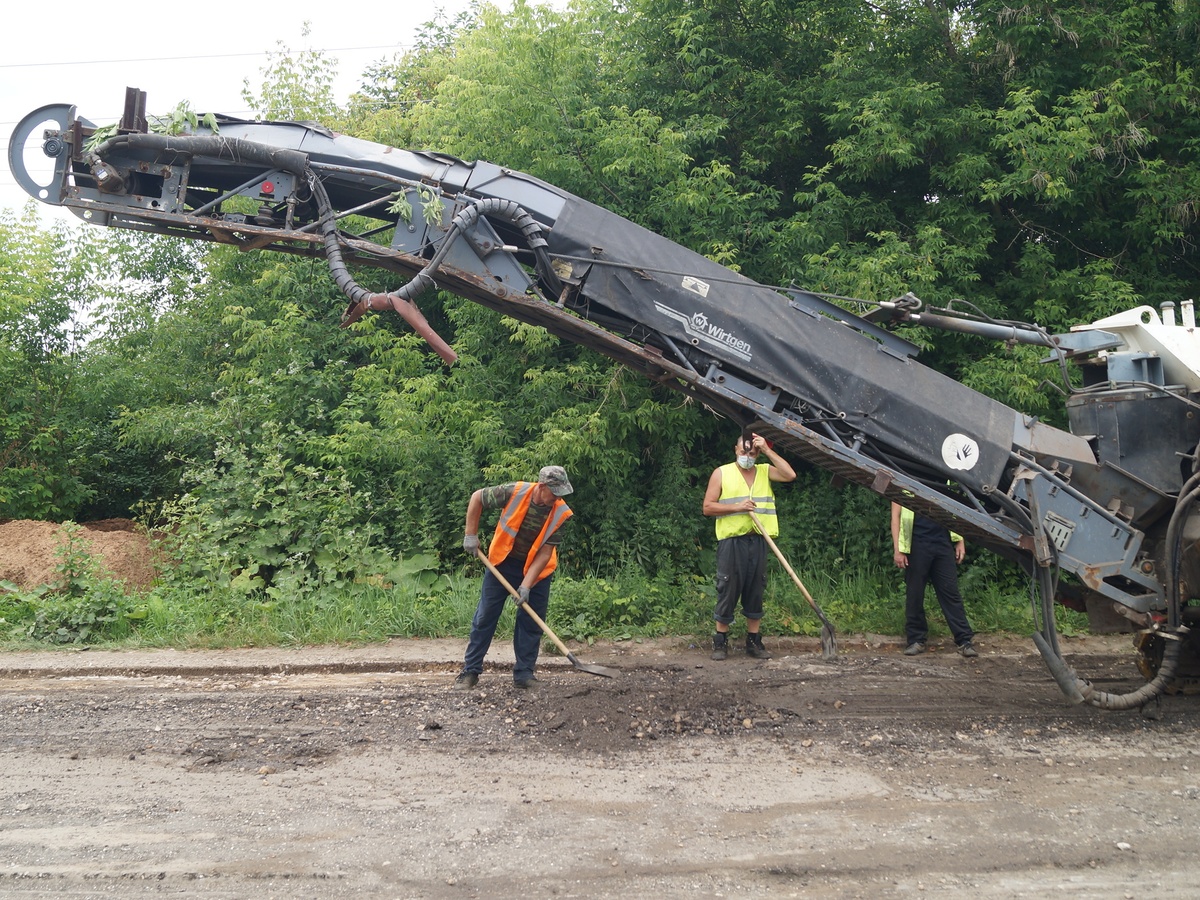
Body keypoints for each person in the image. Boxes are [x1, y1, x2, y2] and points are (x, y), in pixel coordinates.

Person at [454, 465, 574, 690]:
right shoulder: (515, 492)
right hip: (503, 562)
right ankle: (470, 672)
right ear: (541, 487)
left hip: (537, 570)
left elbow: (545, 552)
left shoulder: (560, 512)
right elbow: (477, 498)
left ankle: (524, 675)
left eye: (561, 494)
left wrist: (527, 585)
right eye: (554, 493)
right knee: (486, 616)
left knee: (531, 622)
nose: (557, 498)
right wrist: (471, 534)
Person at [702, 431, 796, 660]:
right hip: (732, 541)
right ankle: (720, 641)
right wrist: (738, 507)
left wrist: (767, 449)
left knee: (756, 588)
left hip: (760, 539)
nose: (747, 456)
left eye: (752, 452)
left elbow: (790, 474)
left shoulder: (764, 471)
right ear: (736, 450)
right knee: (728, 587)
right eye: (744, 451)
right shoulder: (721, 473)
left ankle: (754, 641)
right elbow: (708, 507)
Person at [890, 501, 978, 658]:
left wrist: (960, 541)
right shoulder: (904, 482)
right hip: (916, 544)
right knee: (915, 593)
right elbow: (895, 517)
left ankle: (964, 640)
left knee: (950, 592)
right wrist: (898, 550)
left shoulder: (947, 480)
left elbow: (956, 510)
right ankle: (916, 640)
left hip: (943, 543)